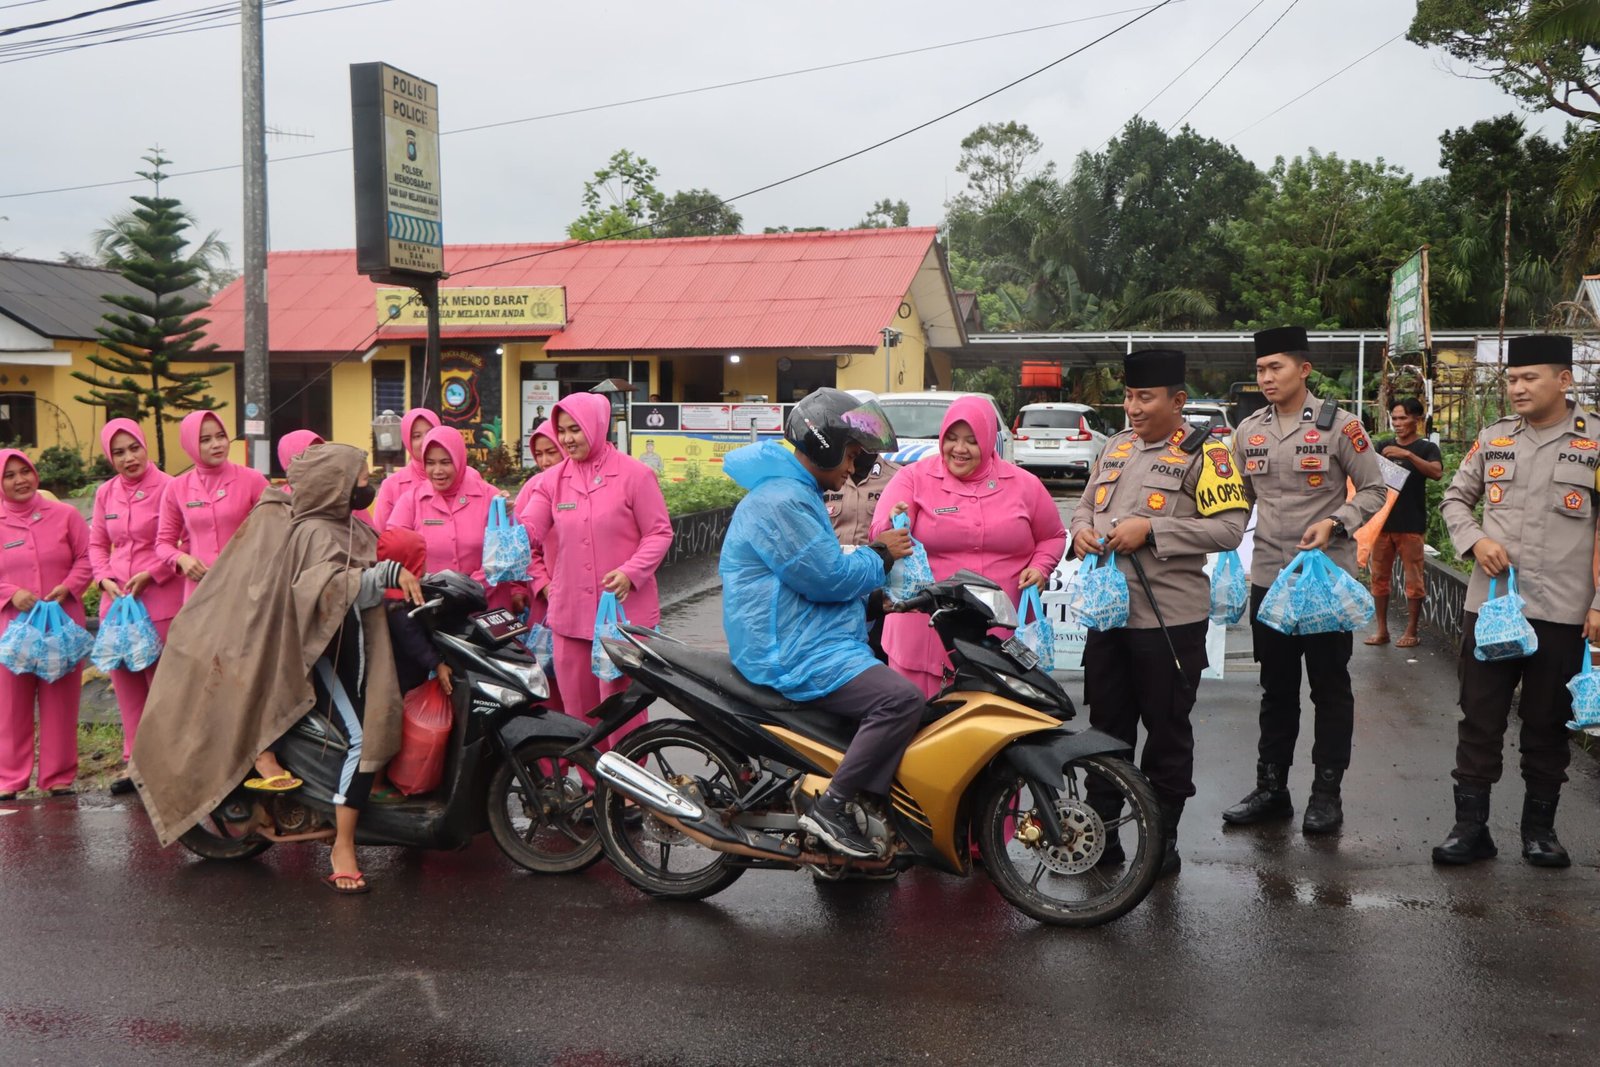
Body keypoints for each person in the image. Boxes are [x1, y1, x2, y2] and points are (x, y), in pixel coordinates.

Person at [132, 444, 419, 893]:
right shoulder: (312, 533)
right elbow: (319, 595)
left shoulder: (347, 526)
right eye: (360, 478)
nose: (367, 485)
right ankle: (344, 846)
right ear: (336, 486)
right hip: (319, 655)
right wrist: (382, 576)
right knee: (365, 740)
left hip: (360, 649)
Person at [1069, 350, 1250, 876]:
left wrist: (1154, 530)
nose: (1133, 407)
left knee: (1167, 734)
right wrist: (1080, 530)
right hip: (1110, 620)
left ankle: (1160, 841)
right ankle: (1102, 839)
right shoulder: (1116, 447)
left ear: (1178, 401)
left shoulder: (1207, 453)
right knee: (1106, 730)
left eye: (1145, 397)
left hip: (1169, 623)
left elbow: (1229, 530)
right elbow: (1084, 505)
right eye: (1128, 396)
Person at [721, 388, 917, 858]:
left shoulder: (793, 492)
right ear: (825, 444)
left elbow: (805, 577)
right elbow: (826, 577)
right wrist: (880, 554)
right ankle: (831, 807)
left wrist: (873, 603)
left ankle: (857, 803)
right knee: (900, 700)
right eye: (850, 455)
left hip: (805, 634)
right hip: (789, 650)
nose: (853, 468)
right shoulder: (784, 500)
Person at [1433, 334, 1595, 869]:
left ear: (1564, 380)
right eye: (1512, 379)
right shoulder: (1495, 438)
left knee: (1548, 724)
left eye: (1529, 378)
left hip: (1562, 610)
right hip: (1493, 608)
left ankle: (1539, 832)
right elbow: (1455, 498)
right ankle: (1470, 829)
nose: (1517, 388)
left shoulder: (1595, 440)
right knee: (1479, 718)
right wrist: (1475, 540)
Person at [1223, 326, 1385, 834]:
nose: (1267, 377)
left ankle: (1326, 795)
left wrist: (1337, 521)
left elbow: (1375, 490)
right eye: (1260, 369)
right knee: (1276, 691)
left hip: (1324, 582)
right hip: (1270, 578)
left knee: (1330, 689)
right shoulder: (1247, 431)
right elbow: (1235, 499)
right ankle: (1272, 790)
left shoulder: (1341, 426)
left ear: (1304, 369)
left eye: (1276, 367)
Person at [869, 396, 1065, 698]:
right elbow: (880, 535)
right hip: (923, 630)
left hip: (999, 633)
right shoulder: (913, 478)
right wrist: (895, 524)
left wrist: (1040, 568)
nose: (959, 449)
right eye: (952, 438)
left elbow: (1052, 536)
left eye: (972, 441)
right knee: (919, 728)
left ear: (988, 441)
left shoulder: (1025, 484)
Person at [520, 394, 672, 739]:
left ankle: (631, 788)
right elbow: (532, 525)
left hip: (621, 617)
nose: (568, 438)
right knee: (579, 714)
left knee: (624, 713)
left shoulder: (635, 475)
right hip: (570, 616)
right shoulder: (551, 482)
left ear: (597, 426)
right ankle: (591, 788)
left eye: (575, 429)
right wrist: (513, 536)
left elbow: (659, 532)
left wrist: (631, 572)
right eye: (562, 431)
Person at [89, 419, 181, 794]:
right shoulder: (105, 493)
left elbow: (183, 540)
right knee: (126, 688)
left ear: (146, 446)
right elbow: (96, 545)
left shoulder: (171, 487)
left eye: (134, 448)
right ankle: (135, 764)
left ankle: (169, 764)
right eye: (119, 452)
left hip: (159, 600)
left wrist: (153, 574)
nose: (129, 458)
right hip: (118, 605)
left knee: (160, 690)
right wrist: (102, 579)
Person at [0, 450, 94, 800]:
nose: (20, 480)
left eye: (25, 471)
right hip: (12, 628)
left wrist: (69, 586)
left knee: (60, 701)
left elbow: (88, 557)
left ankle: (58, 776)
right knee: (10, 705)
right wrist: (10, 593)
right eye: (9, 475)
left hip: (62, 626)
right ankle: (9, 778)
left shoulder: (65, 515)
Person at [388, 427, 526, 613]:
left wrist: (468, 589)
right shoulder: (411, 501)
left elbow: (509, 552)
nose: (437, 471)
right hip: (434, 610)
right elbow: (393, 550)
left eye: (445, 462)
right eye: (430, 463)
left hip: (488, 607)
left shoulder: (489, 496)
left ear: (459, 460)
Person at [155, 410, 269, 603]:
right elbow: (163, 543)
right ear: (190, 444)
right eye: (205, 440)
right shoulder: (177, 488)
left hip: (246, 587)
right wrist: (182, 559)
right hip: (200, 590)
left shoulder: (253, 480)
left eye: (221, 436)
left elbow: (273, 530)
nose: (216, 445)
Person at [1365, 398, 1443, 649]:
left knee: (1414, 581)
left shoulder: (1426, 448)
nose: (1397, 424)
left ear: (1417, 420)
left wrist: (1407, 454)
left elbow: (1437, 472)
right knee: (1378, 578)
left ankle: (1411, 630)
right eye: (1394, 418)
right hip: (1382, 525)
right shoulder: (1383, 445)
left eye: (1403, 418)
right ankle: (1381, 630)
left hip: (1411, 525)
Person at [824, 450, 900, 662]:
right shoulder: (828, 476)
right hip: (834, 586)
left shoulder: (897, 478)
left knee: (878, 659)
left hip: (878, 588)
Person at [278, 430, 375, 526]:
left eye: (320, 452)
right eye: (308, 454)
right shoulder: (276, 505)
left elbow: (370, 537)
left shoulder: (343, 495)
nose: (317, 459)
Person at [373, 408, 442, 531]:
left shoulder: (466, 476)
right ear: (407, 441)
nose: (425, 440)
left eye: (430, 432)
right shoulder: (392, 485)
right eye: (416, 436)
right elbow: (379, 536)